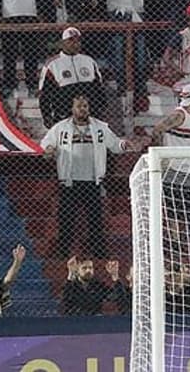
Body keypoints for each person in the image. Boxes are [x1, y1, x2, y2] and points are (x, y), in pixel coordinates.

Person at [42, 93, 137, 259]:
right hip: (69, 182)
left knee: (95, 220)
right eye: (78, 106)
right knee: (66, 220)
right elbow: (46, 144)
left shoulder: (99, 127)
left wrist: (124, 144)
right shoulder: (60, 128)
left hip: (92, 181)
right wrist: (49, 149)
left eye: (85, 106)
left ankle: (98, 253)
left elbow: (114, 144)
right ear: (72, 109)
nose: (82, 109)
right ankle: (63, 253)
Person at [38, 27, 106, 125]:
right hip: (64, 113)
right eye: (70, 40)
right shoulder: (52, 64)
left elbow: (99, 87)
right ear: (62, 43)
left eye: (78, 40)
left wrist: (101, 109)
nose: (75, 43)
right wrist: (47, 116)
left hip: (90, 112)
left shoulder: (89, 61)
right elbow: (44, 93)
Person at [151, 83, 190, 173]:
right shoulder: (179, 115)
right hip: (177, 167)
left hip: (187, 163)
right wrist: (162, 153)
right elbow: (157, 129)